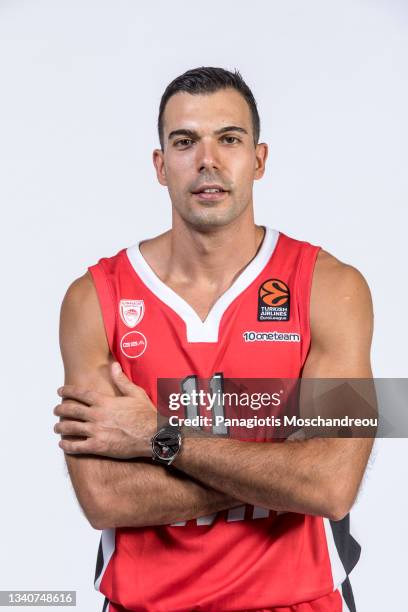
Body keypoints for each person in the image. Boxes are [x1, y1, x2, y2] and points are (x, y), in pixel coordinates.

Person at [54, 67, 374, 612]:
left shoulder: (335, 288)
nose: (208, 160)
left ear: (259, 159)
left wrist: (159, 439)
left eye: (229, 139)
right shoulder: (93, 298)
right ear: (160, 166)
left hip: (302, 600)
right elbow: (103, 500)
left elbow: (333, 486)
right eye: (185, 142)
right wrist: (281, 465)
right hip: (144, 604)